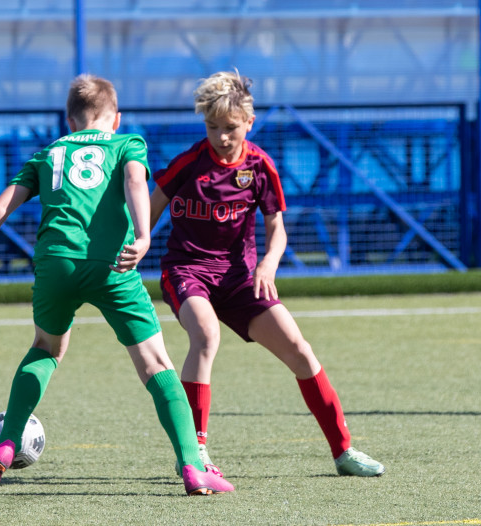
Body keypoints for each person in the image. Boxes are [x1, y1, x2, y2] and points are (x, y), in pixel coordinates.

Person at [0, 74, 234, 496]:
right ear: (115, 119)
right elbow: (137, 181)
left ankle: (7, 442)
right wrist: (142, 235)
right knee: (156, 362)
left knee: (45, 347)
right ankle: (193, 466)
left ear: (69, 119)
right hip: (111, 264)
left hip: (55, 262)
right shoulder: (126, 144)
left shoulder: (48, 153)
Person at [149, 70, 385, 478]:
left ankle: (344, 452)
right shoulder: (189, 163)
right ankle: (196, 452)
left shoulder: (260, 167)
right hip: (187, 270)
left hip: (242, 279)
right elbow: (148, 211)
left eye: (230, 128)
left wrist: (268, 263)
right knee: (205, 335)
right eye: (212, 128)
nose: (221, 137)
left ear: (249, 124)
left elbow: (277, 229)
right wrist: (133, 245)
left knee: (299, 349)